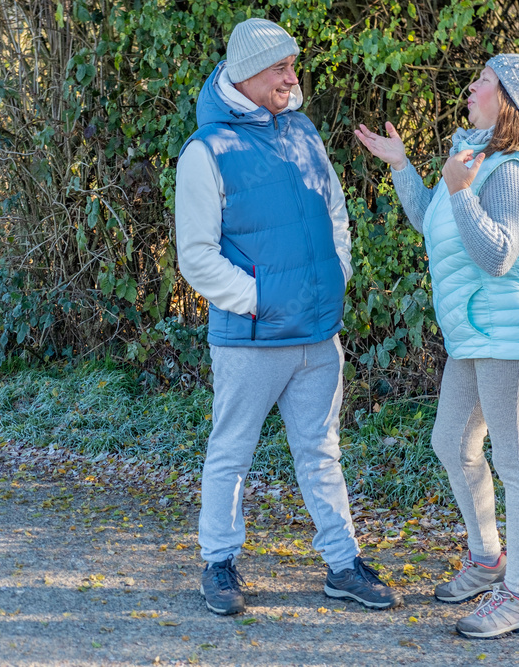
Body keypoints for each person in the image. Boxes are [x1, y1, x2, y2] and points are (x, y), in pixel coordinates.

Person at [175, 18, 401, 616]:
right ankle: (218, 563)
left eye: (292, 66)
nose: (291, 78)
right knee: (232, 451)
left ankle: (342, 563)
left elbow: (335, 209)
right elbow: (195, 257)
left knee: (321, 451)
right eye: (280, 68)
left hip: (317, 336)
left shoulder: (302, 130)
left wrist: (336, 275)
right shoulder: (205, 152)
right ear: (246, 73)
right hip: (250, 338)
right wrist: (260, 299)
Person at [354, 54, 519, 638]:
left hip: (515, 332)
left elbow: (498, 254)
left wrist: (459, 192)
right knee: (452, 441)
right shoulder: (477, 155)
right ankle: (487, 561)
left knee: (517, 463)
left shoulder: (516, 169)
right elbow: (434, 216)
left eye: (483, 79)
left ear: (510, 100)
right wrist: (403, 165)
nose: (471, 85)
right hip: (479, 332)